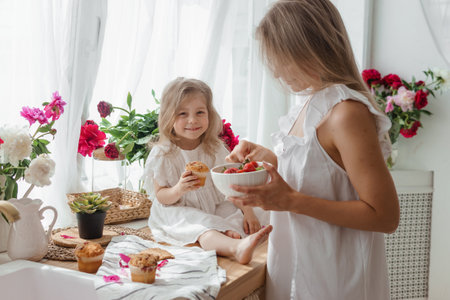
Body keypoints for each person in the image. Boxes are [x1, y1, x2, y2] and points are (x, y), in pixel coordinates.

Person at [226, 0, 400, 298]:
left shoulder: (346, 112)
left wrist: (291, 201)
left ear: (309, 48)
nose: (278, 71)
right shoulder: (309, 104)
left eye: (282, 57)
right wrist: (269, 158)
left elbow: (385, 216)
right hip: (295, 269)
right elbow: (323, 173)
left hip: (335, 280)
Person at [143, 77, 272, 264]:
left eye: (200, 112)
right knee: (201, 227)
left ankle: (229, 233)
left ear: (210, 114)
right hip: (177, 208)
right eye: (182, 114)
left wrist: (249, 212)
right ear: (168, 117)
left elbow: (232, 186)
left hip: (212, 203)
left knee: (239, 212)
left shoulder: (213, 148)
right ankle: (235, 248)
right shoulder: (163, 153)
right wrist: (179, 188)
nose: (192, 120)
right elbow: (161, 196)